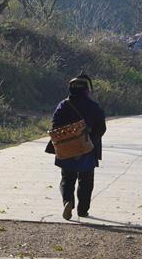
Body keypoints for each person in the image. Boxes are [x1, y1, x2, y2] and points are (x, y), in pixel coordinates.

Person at [45, 74, 106, 220]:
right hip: (88, 149)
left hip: (66, 149)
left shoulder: (64, 105)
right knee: (86, 180)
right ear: (86, 90)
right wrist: (89, 142)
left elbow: (55, 125)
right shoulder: (94, 106)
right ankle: (82, 210)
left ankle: (68, 202)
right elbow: (101, 128)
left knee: (67, 178)